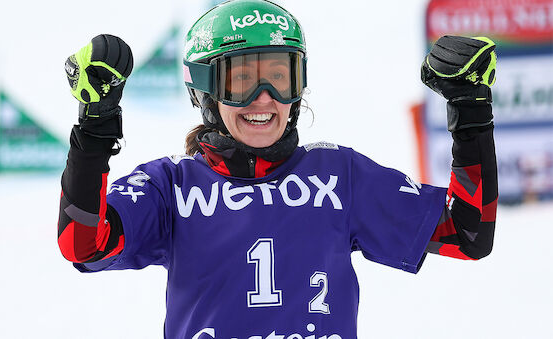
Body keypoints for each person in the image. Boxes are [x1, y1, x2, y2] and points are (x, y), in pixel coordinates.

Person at [58, 0, 498, 338]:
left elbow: (467, 233)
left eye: (279, 76)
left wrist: (471, 113)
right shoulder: (169, 186)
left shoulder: (339, 176)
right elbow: (82, 245)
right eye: (241, 80)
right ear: (205, 91)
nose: (264, 97)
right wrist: (95, 131)